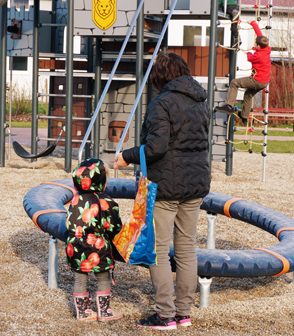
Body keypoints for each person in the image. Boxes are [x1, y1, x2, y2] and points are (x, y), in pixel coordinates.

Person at [114, 52, 211, 330]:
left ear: (160, 77)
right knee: (186, 249)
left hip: (166, 187)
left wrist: (127, 155)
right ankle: (184, 313)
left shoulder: (162, 103)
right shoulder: (201, 101)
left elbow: (156, 147)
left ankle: (165, 315)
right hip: (195, 185)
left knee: (157, 249)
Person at [66, 158, 123, 322]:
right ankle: (104, 312)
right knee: (103, 276)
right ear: (102, 180)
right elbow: (114, 226)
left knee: (80, 277)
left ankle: (82, 313)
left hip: (74, 245)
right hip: (97, 246)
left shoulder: (75, 199)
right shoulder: (105, 201)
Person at [216, 20, 271, 123]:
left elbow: (250, 57)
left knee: (234, 83)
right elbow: (260, 34)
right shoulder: (267, 49)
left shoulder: (258, 55)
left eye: (256, 44)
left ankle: (229, 106)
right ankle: (245, 117)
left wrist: (250, 51)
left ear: (259, 46)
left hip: (257, 80)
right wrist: (253, 24)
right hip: (264, 82)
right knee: (248, 95)